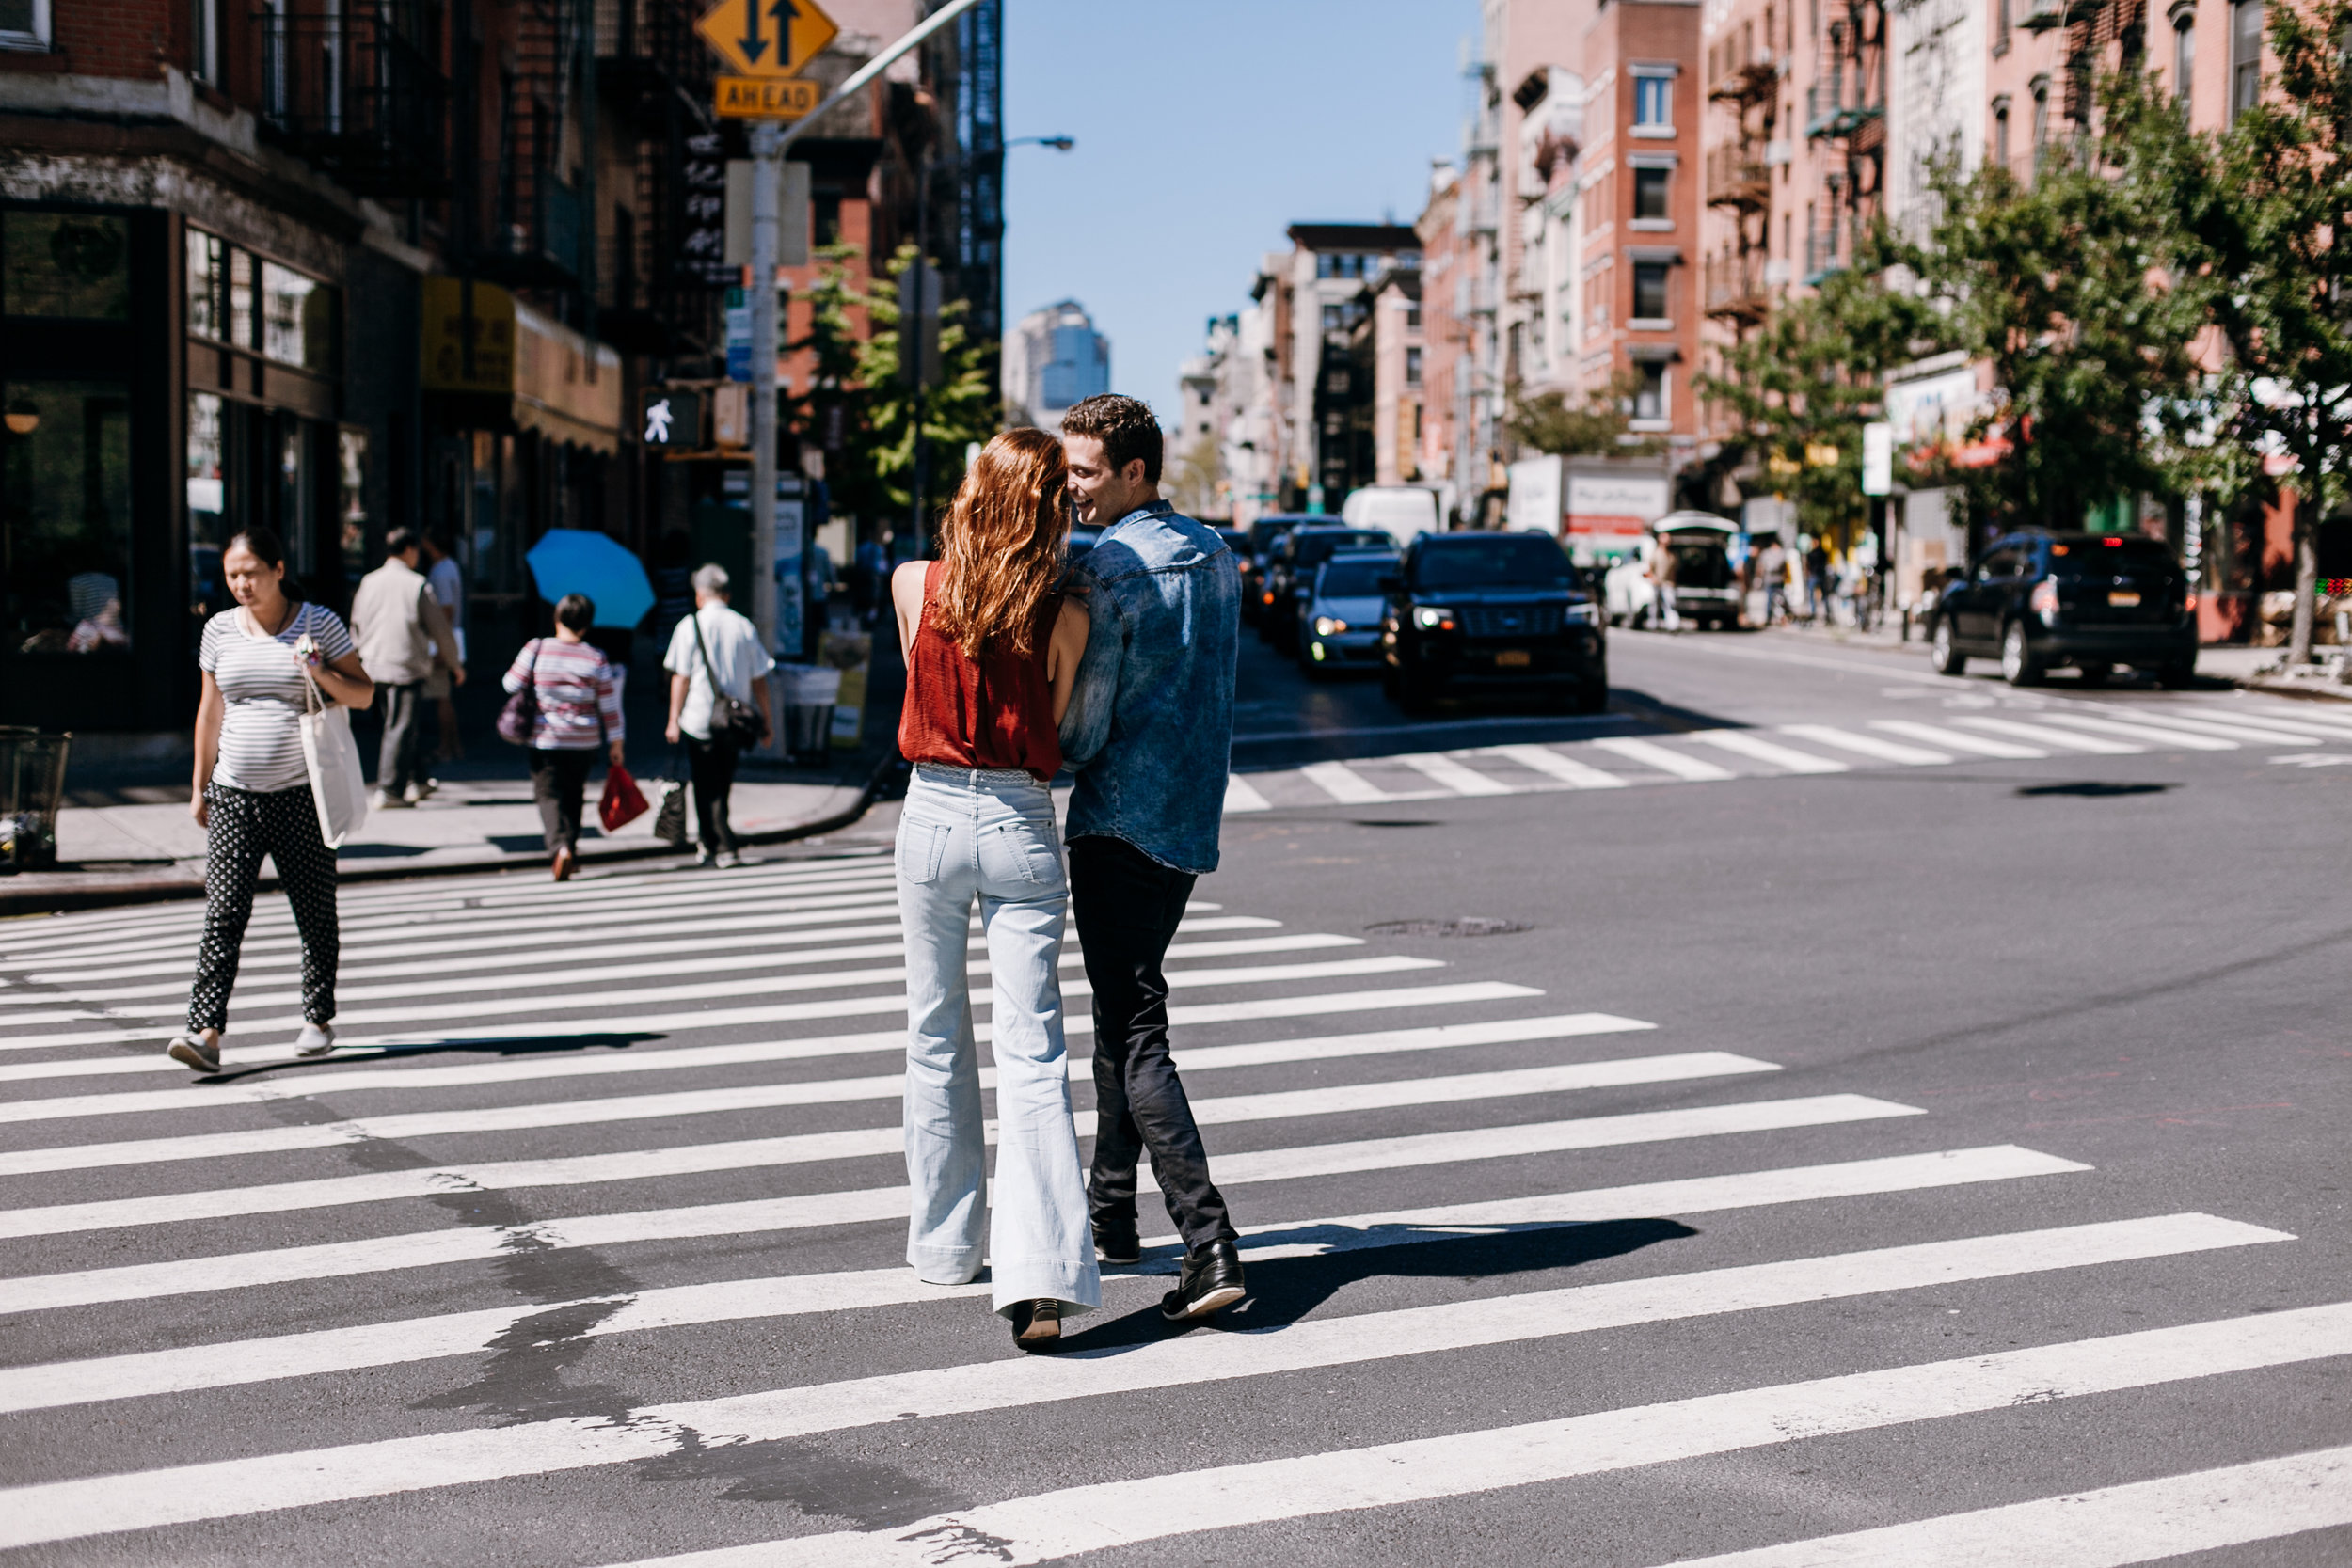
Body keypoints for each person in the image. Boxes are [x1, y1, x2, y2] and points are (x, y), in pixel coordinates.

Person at [890, 427, 1100, 1350]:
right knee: (1032, 1050)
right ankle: (1041, 1281)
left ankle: (942, 1245)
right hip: (1019, 817)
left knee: (933, 1027)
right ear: (1050, 507)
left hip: (930, 814)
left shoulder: (911, 583)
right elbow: (1052, 725)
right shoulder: (1067, 612)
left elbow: (920, 684)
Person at [1055, 392, 1249, 1325]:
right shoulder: (1216, 554)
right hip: (1186, 822)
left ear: (1135, 471)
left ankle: (1207, 1241)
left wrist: (1037, 742)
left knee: (1133, 1029)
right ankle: (1109, 1212)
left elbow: (1084, 727)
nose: (1071, 486)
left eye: (1085, 471)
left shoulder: (1111, 569)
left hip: (1115, 821)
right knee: (1118, 1012)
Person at [168, 528, 375, 1073]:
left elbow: (364, 692)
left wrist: (319, 670)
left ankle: (318, 1017)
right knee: (224, 912)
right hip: (235, 793)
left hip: (301, 795)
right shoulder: (218, 630)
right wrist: (199, 785)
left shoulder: (319, 623)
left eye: (251, 573)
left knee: (313, 909)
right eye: (233, 574)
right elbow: (210, 713)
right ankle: (206, 1031)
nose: (241, 584)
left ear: (279, 569)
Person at [504, 593, 626, 882]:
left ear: (557, 618)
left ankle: (559, 848)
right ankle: (570, 847)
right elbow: (610, 706)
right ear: (586, 626)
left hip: (545, 737)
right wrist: (617, 742)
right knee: (574, 794)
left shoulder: (537, 648)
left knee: (548, 794)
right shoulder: (596, 658)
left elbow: (510, 684)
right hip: (584, 739)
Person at [662, 563, 772, 868]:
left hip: (698, 718)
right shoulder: (743, 625)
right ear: (726, 594)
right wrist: (767, 720)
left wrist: (673, 718)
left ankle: (715, 842)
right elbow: (759, 678)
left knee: (703, 782)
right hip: (734, 720)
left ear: (699, 595)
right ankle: (719, 841)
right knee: (723, 781)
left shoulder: (689, 625)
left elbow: (680, 677)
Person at [349, 526, 463, 809]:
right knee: (400, 727)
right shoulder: (416, 584)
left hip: (373, 664)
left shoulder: (368, 581)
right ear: (410, 550)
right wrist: (454, 664)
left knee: (400, 725)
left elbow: (356, 625)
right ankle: (389, 789)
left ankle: (418, 778)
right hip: (405, 665)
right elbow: (441, 630)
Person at [420, 531, 467, 763]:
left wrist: (441, 646)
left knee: (442, 695)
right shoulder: (450, 566)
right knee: (445, 695)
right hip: (450, 636)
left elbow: (446, 609)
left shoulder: (440, 571)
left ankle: (447, 747)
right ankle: (453, 746)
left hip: (444, 638)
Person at [1647, 534, 1681, 631]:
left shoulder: (1671, 556)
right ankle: (1653, 624)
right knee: (1654, 605)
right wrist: (1653, 579)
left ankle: (1672, 624)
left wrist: (1672, 582)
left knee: (1670, 603)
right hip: (1656, 583)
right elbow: (1650, 569)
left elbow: (1673, 571)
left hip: (1667, 584)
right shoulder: (1656, 554)